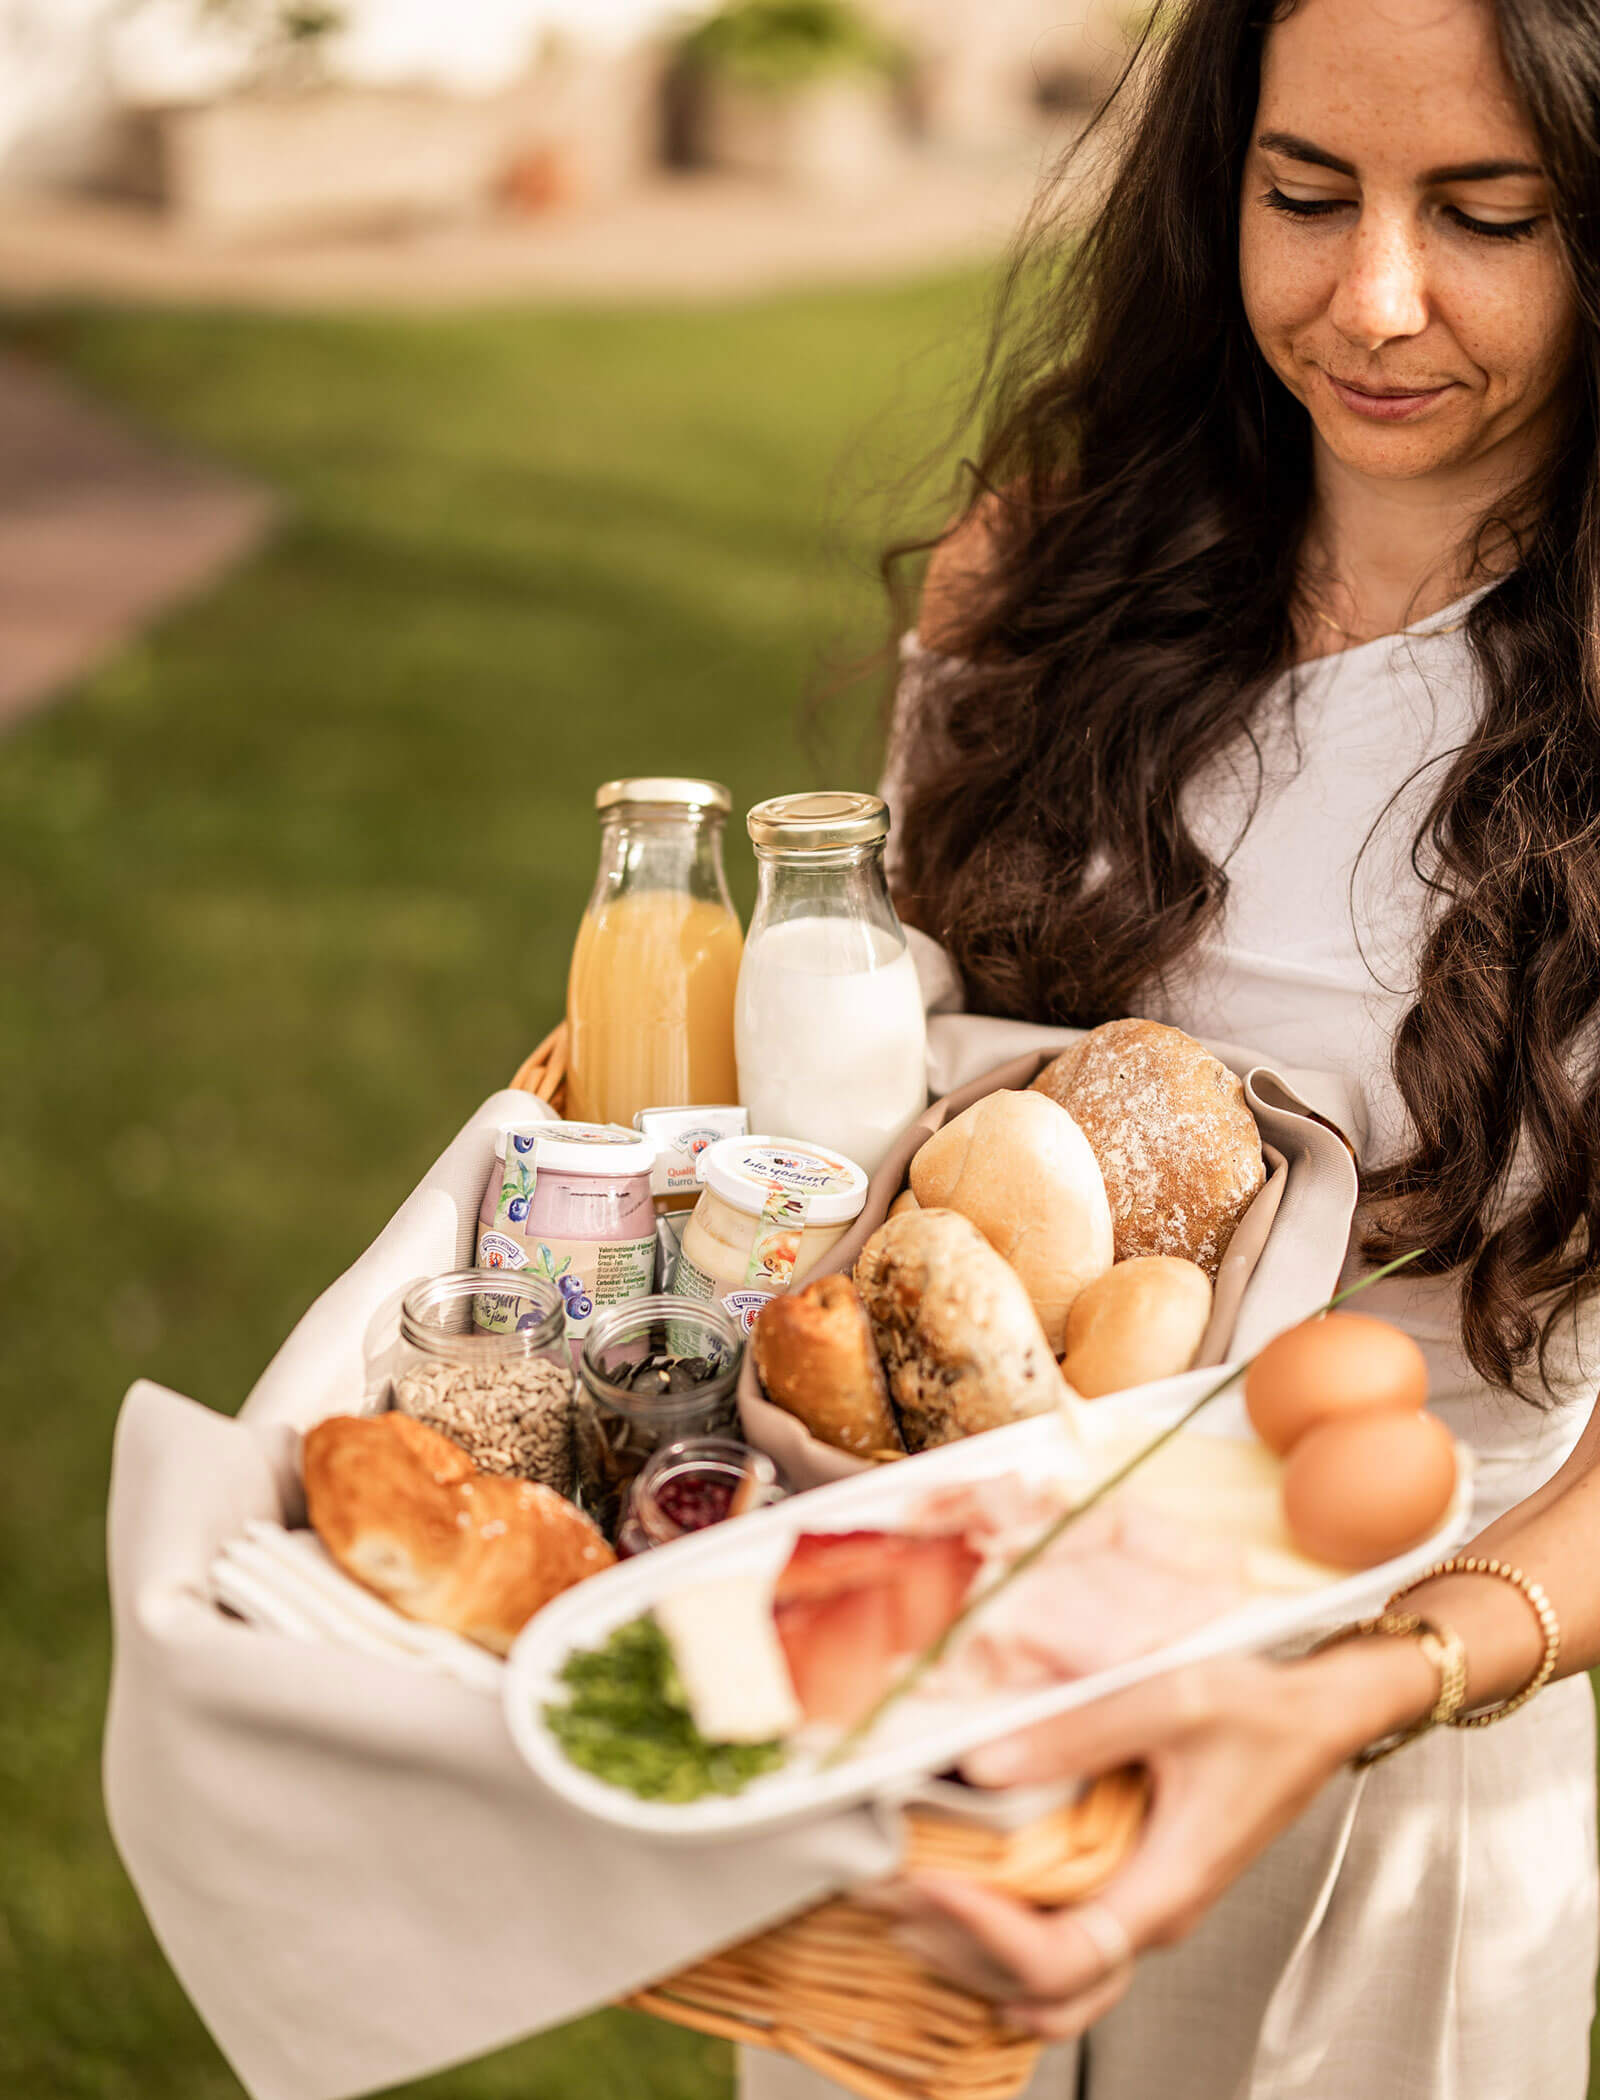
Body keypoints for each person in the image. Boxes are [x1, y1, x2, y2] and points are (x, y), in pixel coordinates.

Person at [743, 0, 1600, 2093]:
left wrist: (1339, 1693)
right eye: (1300, 195)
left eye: (1483, 215)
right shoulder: (1050, 578)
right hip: (933, 1668)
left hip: (1396, 1732)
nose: (1368, 301)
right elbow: (867, 1103)